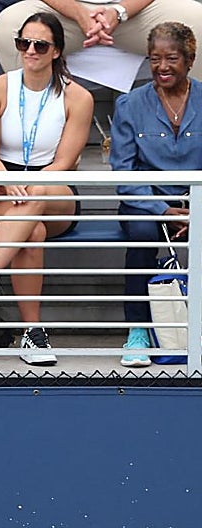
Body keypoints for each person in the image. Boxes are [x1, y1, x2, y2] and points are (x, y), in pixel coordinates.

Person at [0, 12, 94, 366]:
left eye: (40, 45)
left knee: (38, 196)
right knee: (32, 232)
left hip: (53, 187)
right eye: (24, 43)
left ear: (56, 51)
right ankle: (32, 332)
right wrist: (9, 181)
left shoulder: (78, 97)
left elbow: (64, 162)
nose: (31, 51)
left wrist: (32, 185)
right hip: (3, 185)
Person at [109, 21, 202, 366]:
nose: (162, 67)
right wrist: (162, 210)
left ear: (189, 60)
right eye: (154, 59)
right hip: (147, 201)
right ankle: (138, 331)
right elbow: (123, 171)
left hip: (197, 200)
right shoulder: (130, 104)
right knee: (144, 233)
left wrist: (195, 210)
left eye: (172, 58)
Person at [0, 0, 202, 87]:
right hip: (66, 12)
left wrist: (119, 12)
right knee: (10, 25)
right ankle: (33, 130)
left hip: (134, 10)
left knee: (197, 19)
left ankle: (191, 126)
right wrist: (78, 14)